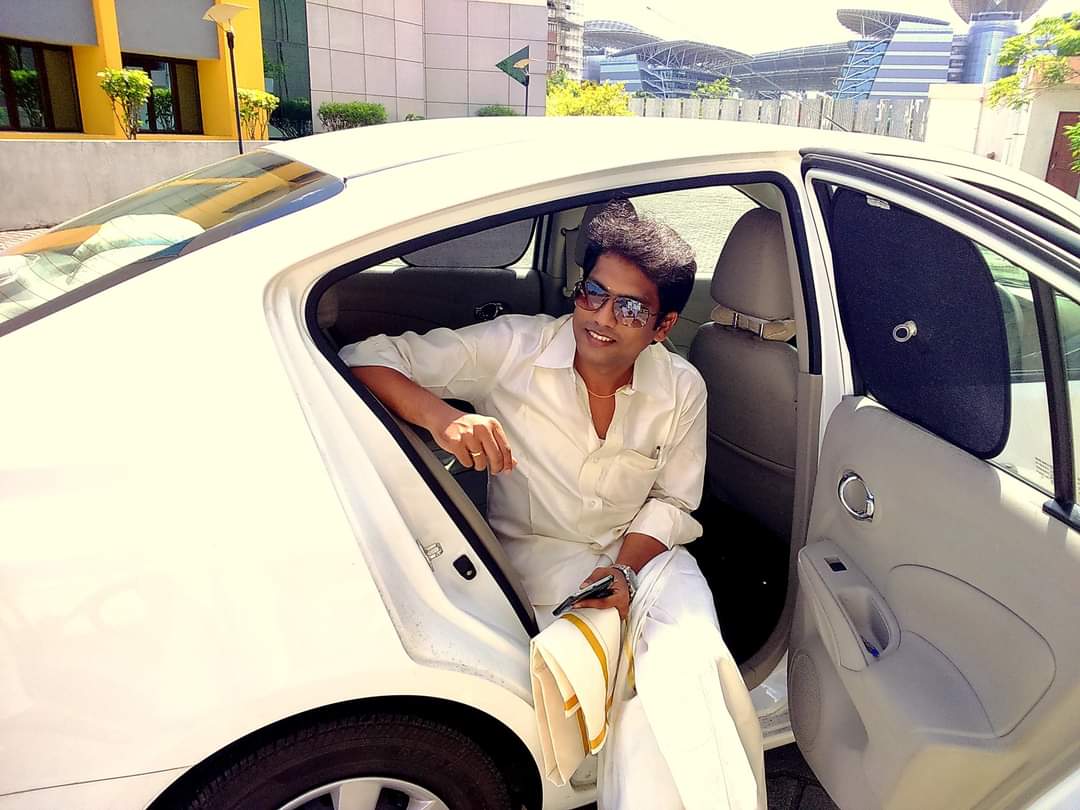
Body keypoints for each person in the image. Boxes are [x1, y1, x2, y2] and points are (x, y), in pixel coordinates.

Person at [340, 200, 763, 809]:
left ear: (663, 325)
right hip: (541, 568)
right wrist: (443, 418)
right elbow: (362, 359)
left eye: (629, 308)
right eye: (594, 293)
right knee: (626, 687)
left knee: (692, 672)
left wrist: (623, 572)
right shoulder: (514, 347)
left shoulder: (681, 388)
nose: (601, 318)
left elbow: (673, 500)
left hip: (647, 560)